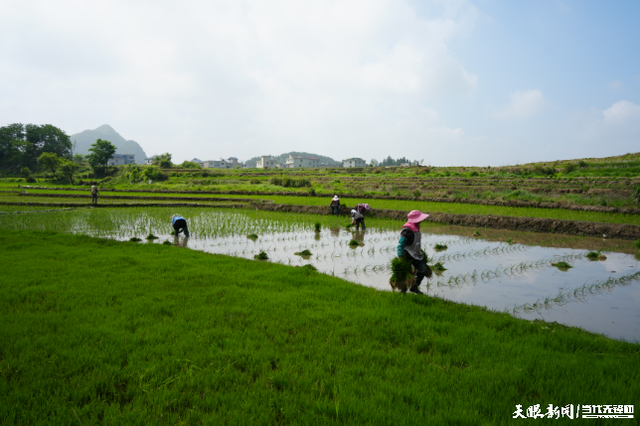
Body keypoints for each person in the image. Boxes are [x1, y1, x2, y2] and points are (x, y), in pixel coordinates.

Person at [397, 210, 432, 294]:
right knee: (407, 273)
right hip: (407, 255)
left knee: (422, 269)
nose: (421, 220)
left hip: (416, 254)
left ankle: (414, 287)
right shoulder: (407, 231)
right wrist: (400, 256)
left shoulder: (416, 228)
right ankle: (403, 290)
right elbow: (400, 244)